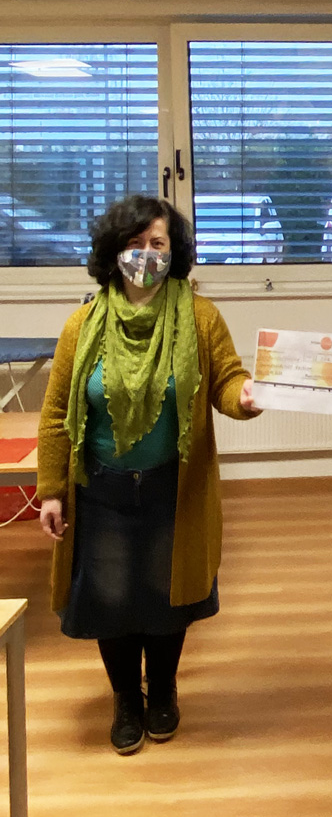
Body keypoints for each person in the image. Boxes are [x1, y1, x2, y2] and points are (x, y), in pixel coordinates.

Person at [37, 196, 259, 756]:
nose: (145, 255)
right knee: (112, 600)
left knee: (165, 598)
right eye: (134, 244)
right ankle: (125, 698)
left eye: (157, 243)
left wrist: (247, 397)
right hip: (103, 489)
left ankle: (161, 689)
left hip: (171, 486)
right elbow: (57, 411)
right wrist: (51, 492)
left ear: (174, 252)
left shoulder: (201, 317)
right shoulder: (83, 324)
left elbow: (226, 380)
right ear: (113, 254)